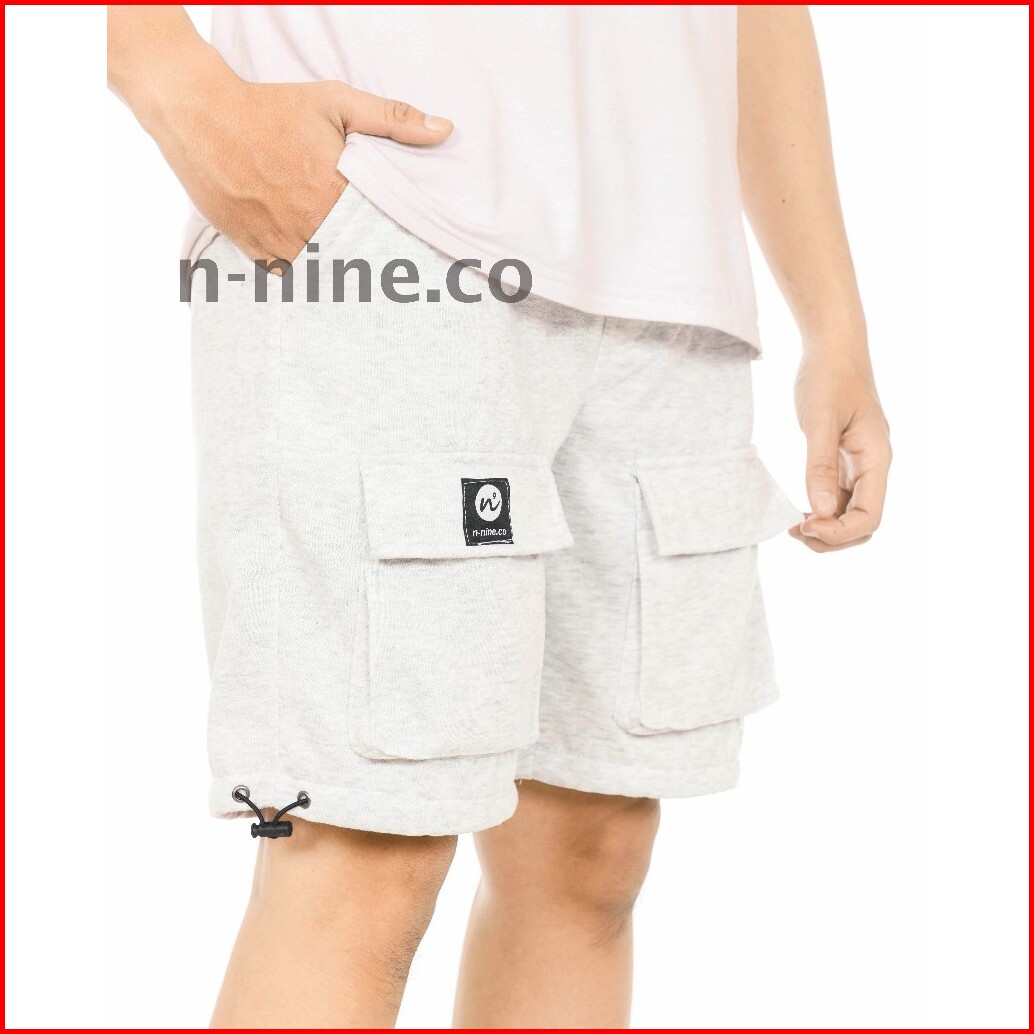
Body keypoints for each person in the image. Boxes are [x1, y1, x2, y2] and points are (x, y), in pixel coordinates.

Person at [107, 6, 891, 1028]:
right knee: (364, 855)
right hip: (393, 218)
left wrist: (833, 322)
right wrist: (163, 69)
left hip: (668, 268)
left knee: (591, 849)